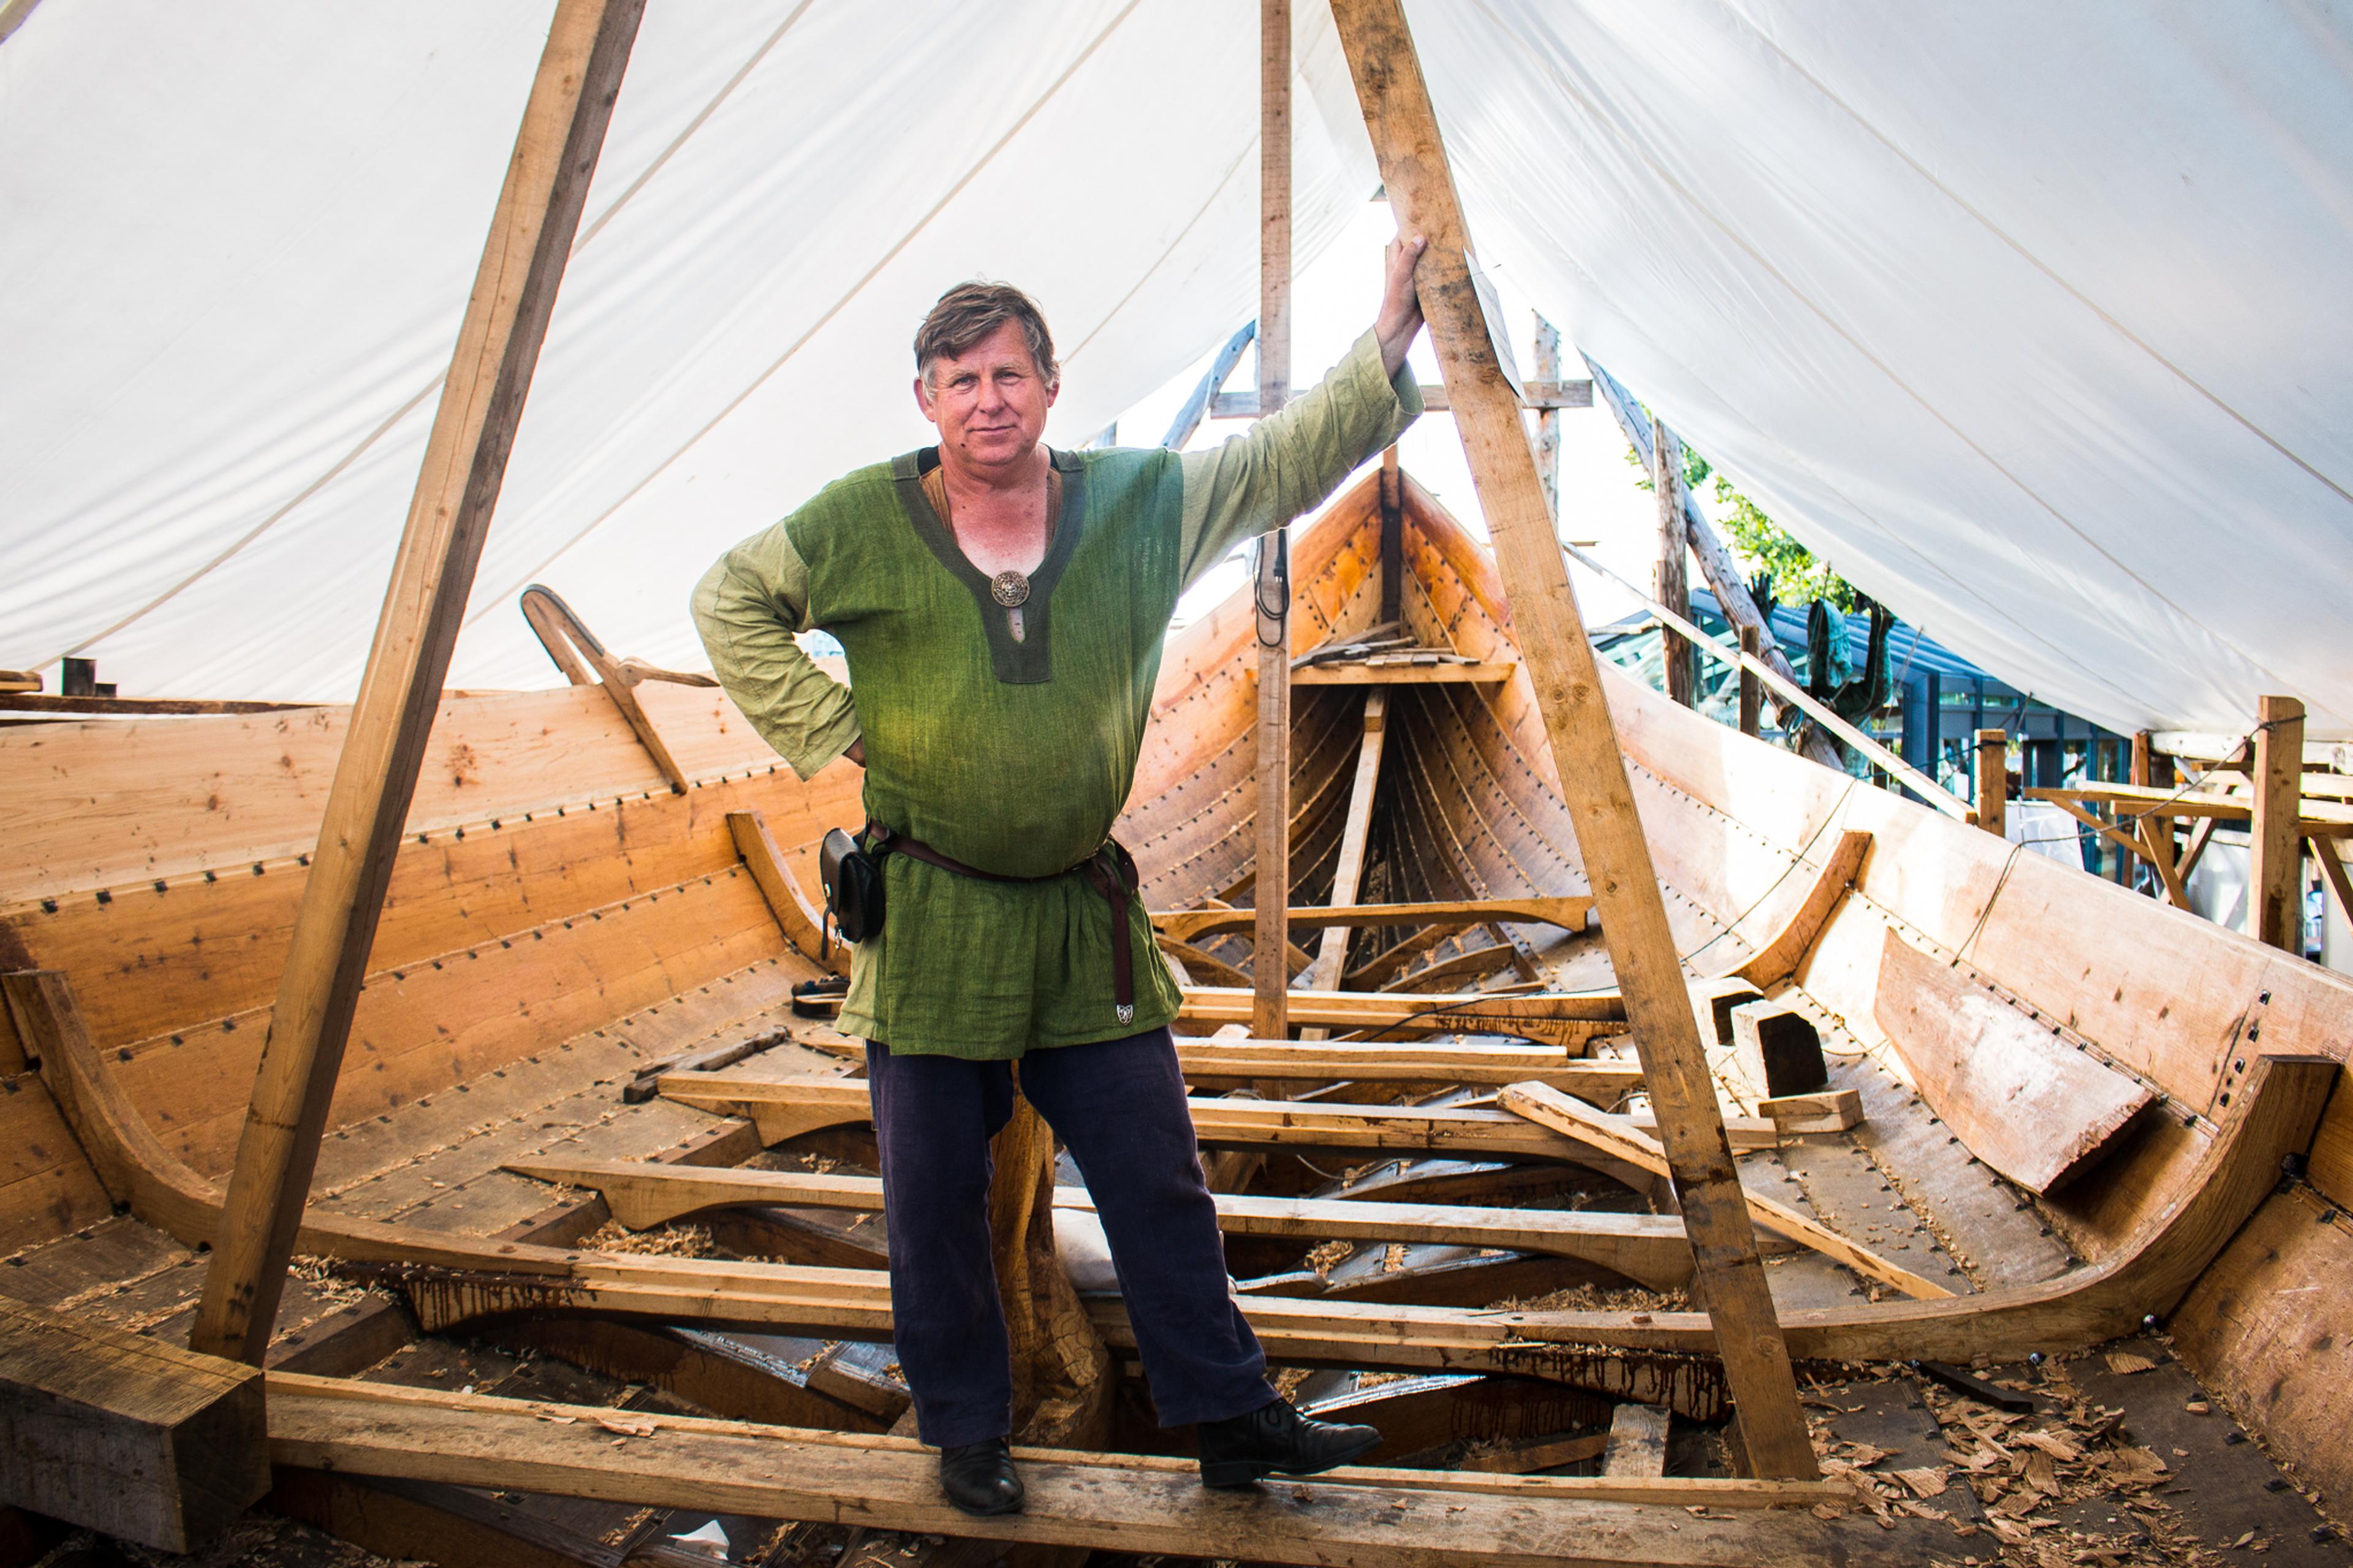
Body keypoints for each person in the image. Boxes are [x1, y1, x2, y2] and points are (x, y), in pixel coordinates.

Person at [692, 234, 1428, 1515]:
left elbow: (1274, 467)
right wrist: (835, 730)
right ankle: (969, 1427)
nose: (988, 397)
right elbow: (728, 599)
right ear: (928, 398)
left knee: (1154, 1171)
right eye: (960, 376)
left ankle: (1229, 1409)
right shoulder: (864, 522)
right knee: (933, 1197)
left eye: (1010, 373)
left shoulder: (1136, 504)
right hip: (930, 917)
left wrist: (1389, 339)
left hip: (1080, 919)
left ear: (1050, 385)